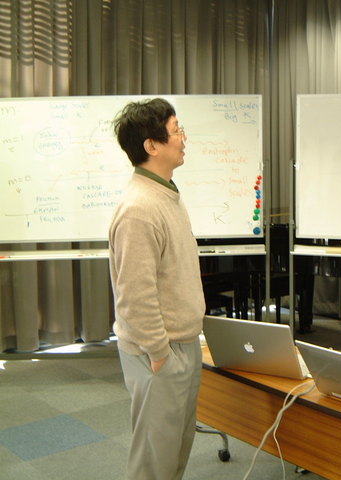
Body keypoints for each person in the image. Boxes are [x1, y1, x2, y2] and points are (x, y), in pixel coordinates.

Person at [108, 98, 206, 479]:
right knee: (153, 464)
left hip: (181, 345)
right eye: (176, 131)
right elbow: (135, 296)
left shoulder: (166, 194)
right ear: (151, 145)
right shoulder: (139, 208)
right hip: (159, 353)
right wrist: (159, 352)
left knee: (173, 455)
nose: (184, 138)